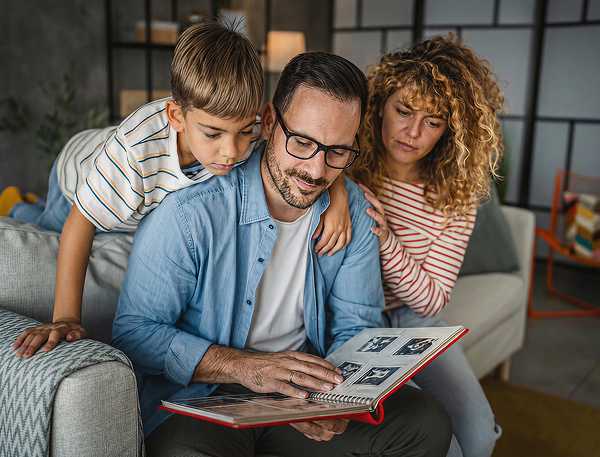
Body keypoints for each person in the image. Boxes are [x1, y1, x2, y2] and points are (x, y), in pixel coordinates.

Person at [112, 51, 452, 457]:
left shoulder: (355, 211)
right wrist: (243, 367)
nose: (316, 170)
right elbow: (134, 333)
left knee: (425, 422)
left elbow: (356, 327)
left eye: (337, 152)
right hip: (204, 397)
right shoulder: (191, 213)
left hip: (302, 392)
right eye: (303, 142)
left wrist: (336, 397)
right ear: (270, 121)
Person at [11, 21, 350, 358]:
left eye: (245, 131)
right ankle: (22, 209)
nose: (232, 151)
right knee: (53, 233)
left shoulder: (249, 125)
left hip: (140, 205)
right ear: (176, 116)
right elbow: (80, 223)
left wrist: (337, 197)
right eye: (213, 134)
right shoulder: (134, 155)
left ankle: (23, 207)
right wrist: (66, 317)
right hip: (76, 176)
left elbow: (308, 158)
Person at [350, 35, 504, 457]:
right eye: (403, 111)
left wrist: (385, 238)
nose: (413, 132)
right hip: (356, 321)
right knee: (443, 445)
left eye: (433, 121)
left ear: (450, 130)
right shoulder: (348, 164)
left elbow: (433, 299)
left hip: (416, 320)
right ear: (382, 102)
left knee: (480, 432)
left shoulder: (456, 195)